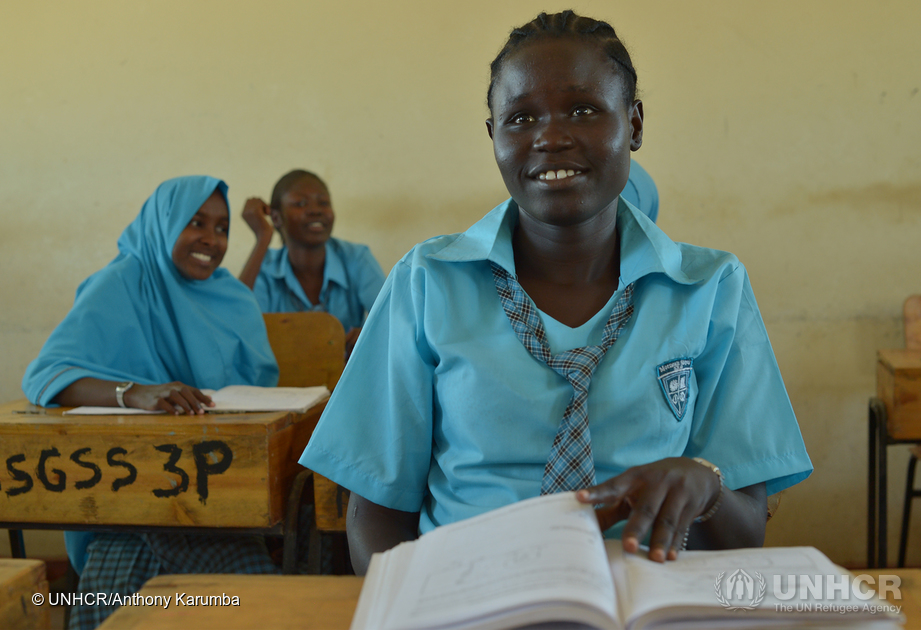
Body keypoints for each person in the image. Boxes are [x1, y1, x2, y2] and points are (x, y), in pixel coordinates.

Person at [299, 11, 812, 575]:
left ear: (635, 124)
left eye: (584, 110)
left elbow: (746, 534)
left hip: (647, 602)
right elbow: (375, 516)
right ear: (494, 137)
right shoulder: (428, 282)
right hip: (471, 600)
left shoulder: (710, 289)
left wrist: (707, 487)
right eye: (520, 118)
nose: (550, 136)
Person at [22, 175, 280, 629]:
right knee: (124, 595)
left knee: (249, 601)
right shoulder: (123, 281)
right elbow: (48, 375)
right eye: (195, 223)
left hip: (221, 498)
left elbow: (260, 391)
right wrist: (133, 394)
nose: (211, 240)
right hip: (127, 497)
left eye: (222, 228)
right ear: (163, 223)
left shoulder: (233, 298)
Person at [238, 169, 385, 357]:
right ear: (276, 218)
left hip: (346, 379)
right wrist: (262, 237)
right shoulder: (264, 267)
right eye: (301, 203)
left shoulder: (356, 258)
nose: (316, 210)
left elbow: (392, 320)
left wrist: (369, 336)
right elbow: (236, 326)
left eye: (323, 203)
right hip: (281, 382)